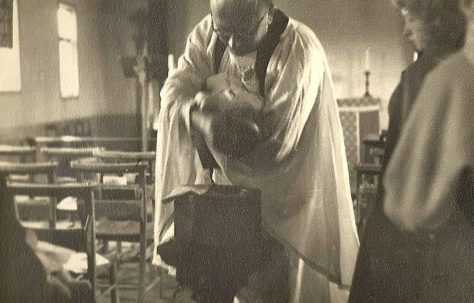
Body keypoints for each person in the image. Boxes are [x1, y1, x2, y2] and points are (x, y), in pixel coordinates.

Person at [153, 0, 359, 301]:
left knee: (281, 291)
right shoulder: (207, 33)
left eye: (245, 30)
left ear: (269, 12)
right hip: (232, 207)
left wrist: (210, 102)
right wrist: (202, 119)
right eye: (224, 32)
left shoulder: (299, 49)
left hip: (287, 206)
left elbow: (275, 143)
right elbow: (172, 93)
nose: (234, 43)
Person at [349, 0, 467, 302]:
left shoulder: (424, 77)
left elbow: (402, 178)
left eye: (409, 19)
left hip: (418, 237)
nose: (405, 31)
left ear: (434, 20)